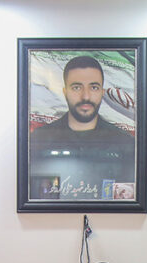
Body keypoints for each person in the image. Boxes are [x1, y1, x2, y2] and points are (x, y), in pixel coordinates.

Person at [28, 55, 136, 201]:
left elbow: (126, 203)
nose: (86, 96)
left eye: (94, 87)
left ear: (102, 92)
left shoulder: (125, 144)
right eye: (77, 87)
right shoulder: (38, 140)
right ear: (65, 92)